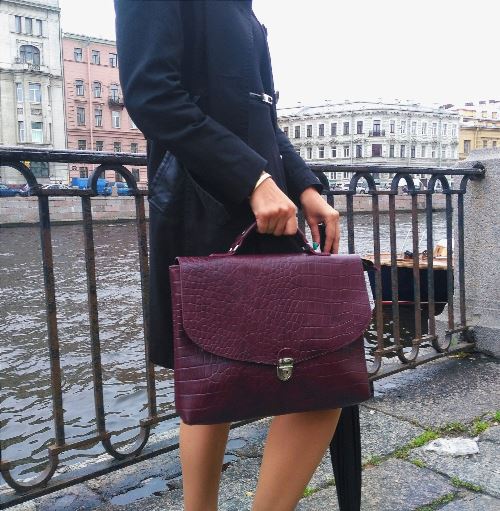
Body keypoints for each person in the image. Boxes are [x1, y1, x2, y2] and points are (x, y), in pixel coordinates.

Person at [114, 2, 342, 510]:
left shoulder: (244, 8)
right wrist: (251, 178)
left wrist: (305, 185)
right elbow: (151, 94)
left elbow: (264, 118)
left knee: (234, 383)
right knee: (289, 384)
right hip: (208, 211)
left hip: (264, 212)